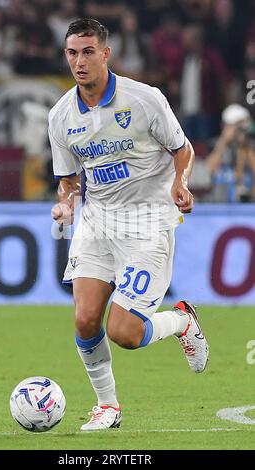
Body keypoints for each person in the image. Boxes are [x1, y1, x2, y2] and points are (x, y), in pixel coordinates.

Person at [48, 18, 209, 432]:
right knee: (85, 320)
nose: (79, 61)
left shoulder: (143, 99)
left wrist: (181, 181)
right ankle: (108, 407)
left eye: (87, 52)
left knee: (124, 332)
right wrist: (65, 204)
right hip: (96, 223)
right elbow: (68, 180)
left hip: (147, 223)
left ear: (106, 53)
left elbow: (182, 148)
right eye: (72, 53)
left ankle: (181, 321)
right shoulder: (60, 116)